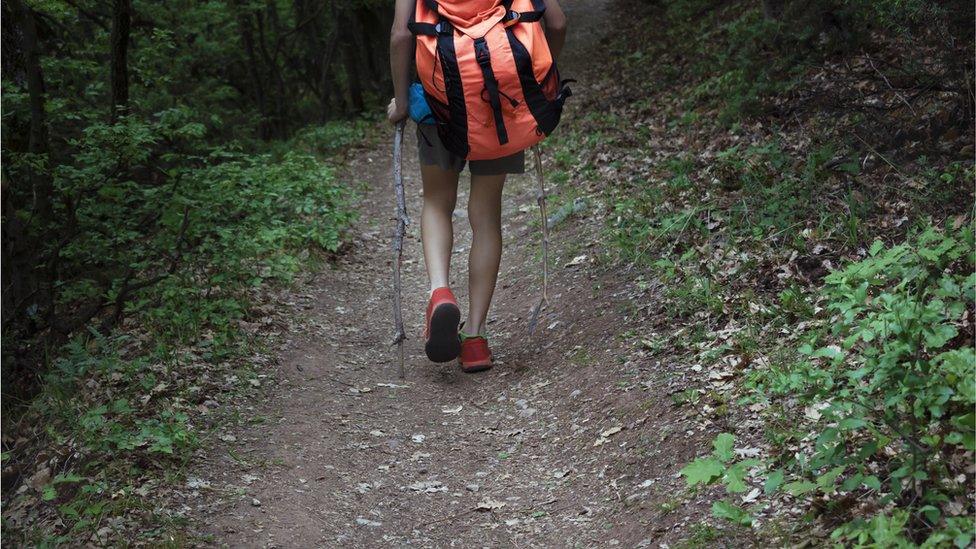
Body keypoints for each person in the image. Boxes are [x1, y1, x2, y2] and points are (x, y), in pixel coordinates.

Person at [387, 0, 567, 372]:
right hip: (498, 100)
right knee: (486, 215)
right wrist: (539, 83)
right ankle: (475, 339)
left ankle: (440, 291)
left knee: (437, 202)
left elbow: (402, 34)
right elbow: (557, 22)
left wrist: (401, 103)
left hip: (439, 104)